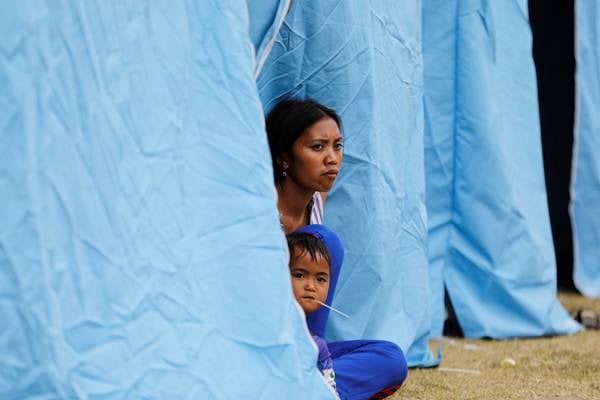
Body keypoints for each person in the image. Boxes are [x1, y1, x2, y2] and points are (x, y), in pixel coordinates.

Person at [287, 225, 408, 400]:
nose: (311, 286)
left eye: (321, 279)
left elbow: (325, 371)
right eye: (299, 275)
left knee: (392, 356)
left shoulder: (316, 344)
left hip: (309, 369)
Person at [266, 98, 343, 234]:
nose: (332, 159)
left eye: (337, 146)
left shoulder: (317, 197)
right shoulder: (263, 211)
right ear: (284, 158)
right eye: (318, 147)